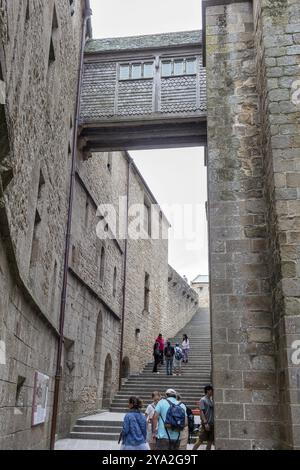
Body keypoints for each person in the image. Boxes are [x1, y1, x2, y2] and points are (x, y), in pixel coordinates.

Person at [193, 385, 214, 451]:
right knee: (200, 439)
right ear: (208, 390)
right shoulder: (203, 400)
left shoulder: (211, 400)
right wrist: (205, 422)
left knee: (210, 441)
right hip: (206, 423)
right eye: (211, 390)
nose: (213, 391)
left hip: (212, 423)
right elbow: (201, 412)